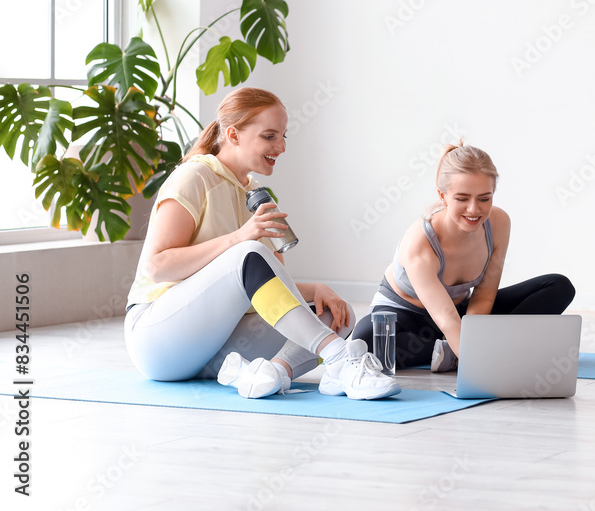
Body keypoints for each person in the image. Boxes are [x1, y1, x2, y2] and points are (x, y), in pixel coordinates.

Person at [124, 87, 398, 400]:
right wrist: (239, 237)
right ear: (233, 135)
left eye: (283, 136)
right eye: (269, 136)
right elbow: (157, 268)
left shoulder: (254, 193)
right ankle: (340, 359)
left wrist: (315, 289)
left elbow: (264, 285)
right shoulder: (195, 176)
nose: (280, 146)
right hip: (157, 338)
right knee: (248, 251)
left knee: (336, 313)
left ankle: (270, 373)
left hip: (214, 350)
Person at [352, 141, 576, 371]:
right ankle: (456, 349)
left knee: (558, 286)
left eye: (484, 198)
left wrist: (471, 338)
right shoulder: (420, 242)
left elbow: (484, 297)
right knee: (366, 342)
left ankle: (456, 349)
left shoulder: (499, 223)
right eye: (462, 199)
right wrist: (479, 365)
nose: (474, 210)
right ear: (443, 196)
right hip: (406, 318)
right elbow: (445, 316)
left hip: (462, 315)